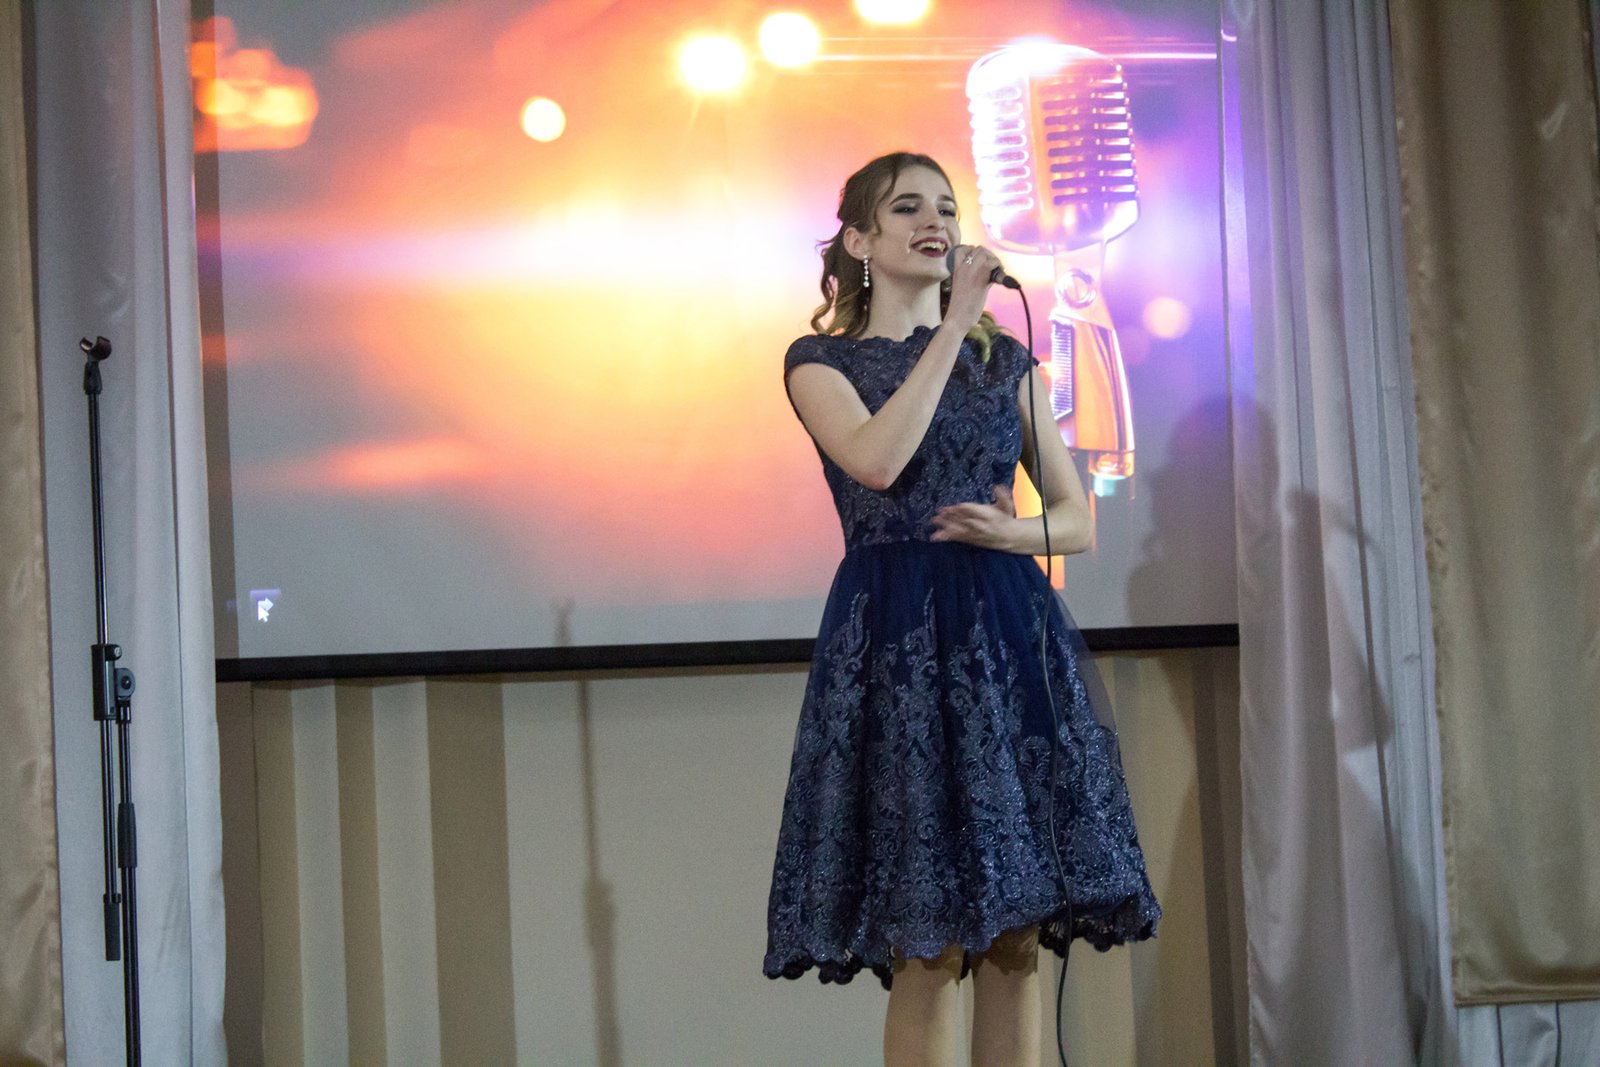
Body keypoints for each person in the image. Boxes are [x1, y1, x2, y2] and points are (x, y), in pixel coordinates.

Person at [762, 152, 1161, 1066]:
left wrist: (1009, 532)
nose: (935, 222)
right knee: (929, 942)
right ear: (860, 240)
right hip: (898, 641)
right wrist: (952, 325)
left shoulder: (1005, 362)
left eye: (946, 207)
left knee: (1016, 936)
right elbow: (877, 461)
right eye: (907, 208)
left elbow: (1075, 519)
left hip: (1005, 637)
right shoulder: (820, 361)